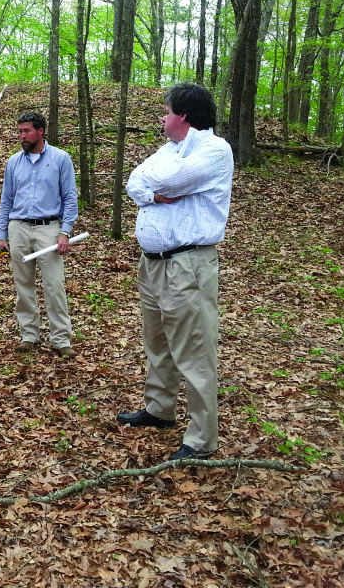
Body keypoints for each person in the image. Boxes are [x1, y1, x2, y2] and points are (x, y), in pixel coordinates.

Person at [118, 83, 233, 461]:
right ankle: (159, 409)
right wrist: (153, 191)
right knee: (158, 342)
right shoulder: (171, 151)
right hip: (152, 263)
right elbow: (134, 182)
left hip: (188, 263)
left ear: (183, 115)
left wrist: (158, 182)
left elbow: (168, 180)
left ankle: (202, 439)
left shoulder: (215, 150)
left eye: (166, 112)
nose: (163, 118)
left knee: (194, 349)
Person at [0, 112, 79, 357]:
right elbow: (6, 199)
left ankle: (61, 340)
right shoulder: (13, 162)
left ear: (41, 131)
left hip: (49, 229)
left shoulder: (61, 159)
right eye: (19, 131)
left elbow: (70, 198)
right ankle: (29, 335)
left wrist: (65, 231)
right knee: (23, 285)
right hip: (18, 228)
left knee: (54, 285)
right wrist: (2, 233)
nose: (22, 136)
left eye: (27, 131)